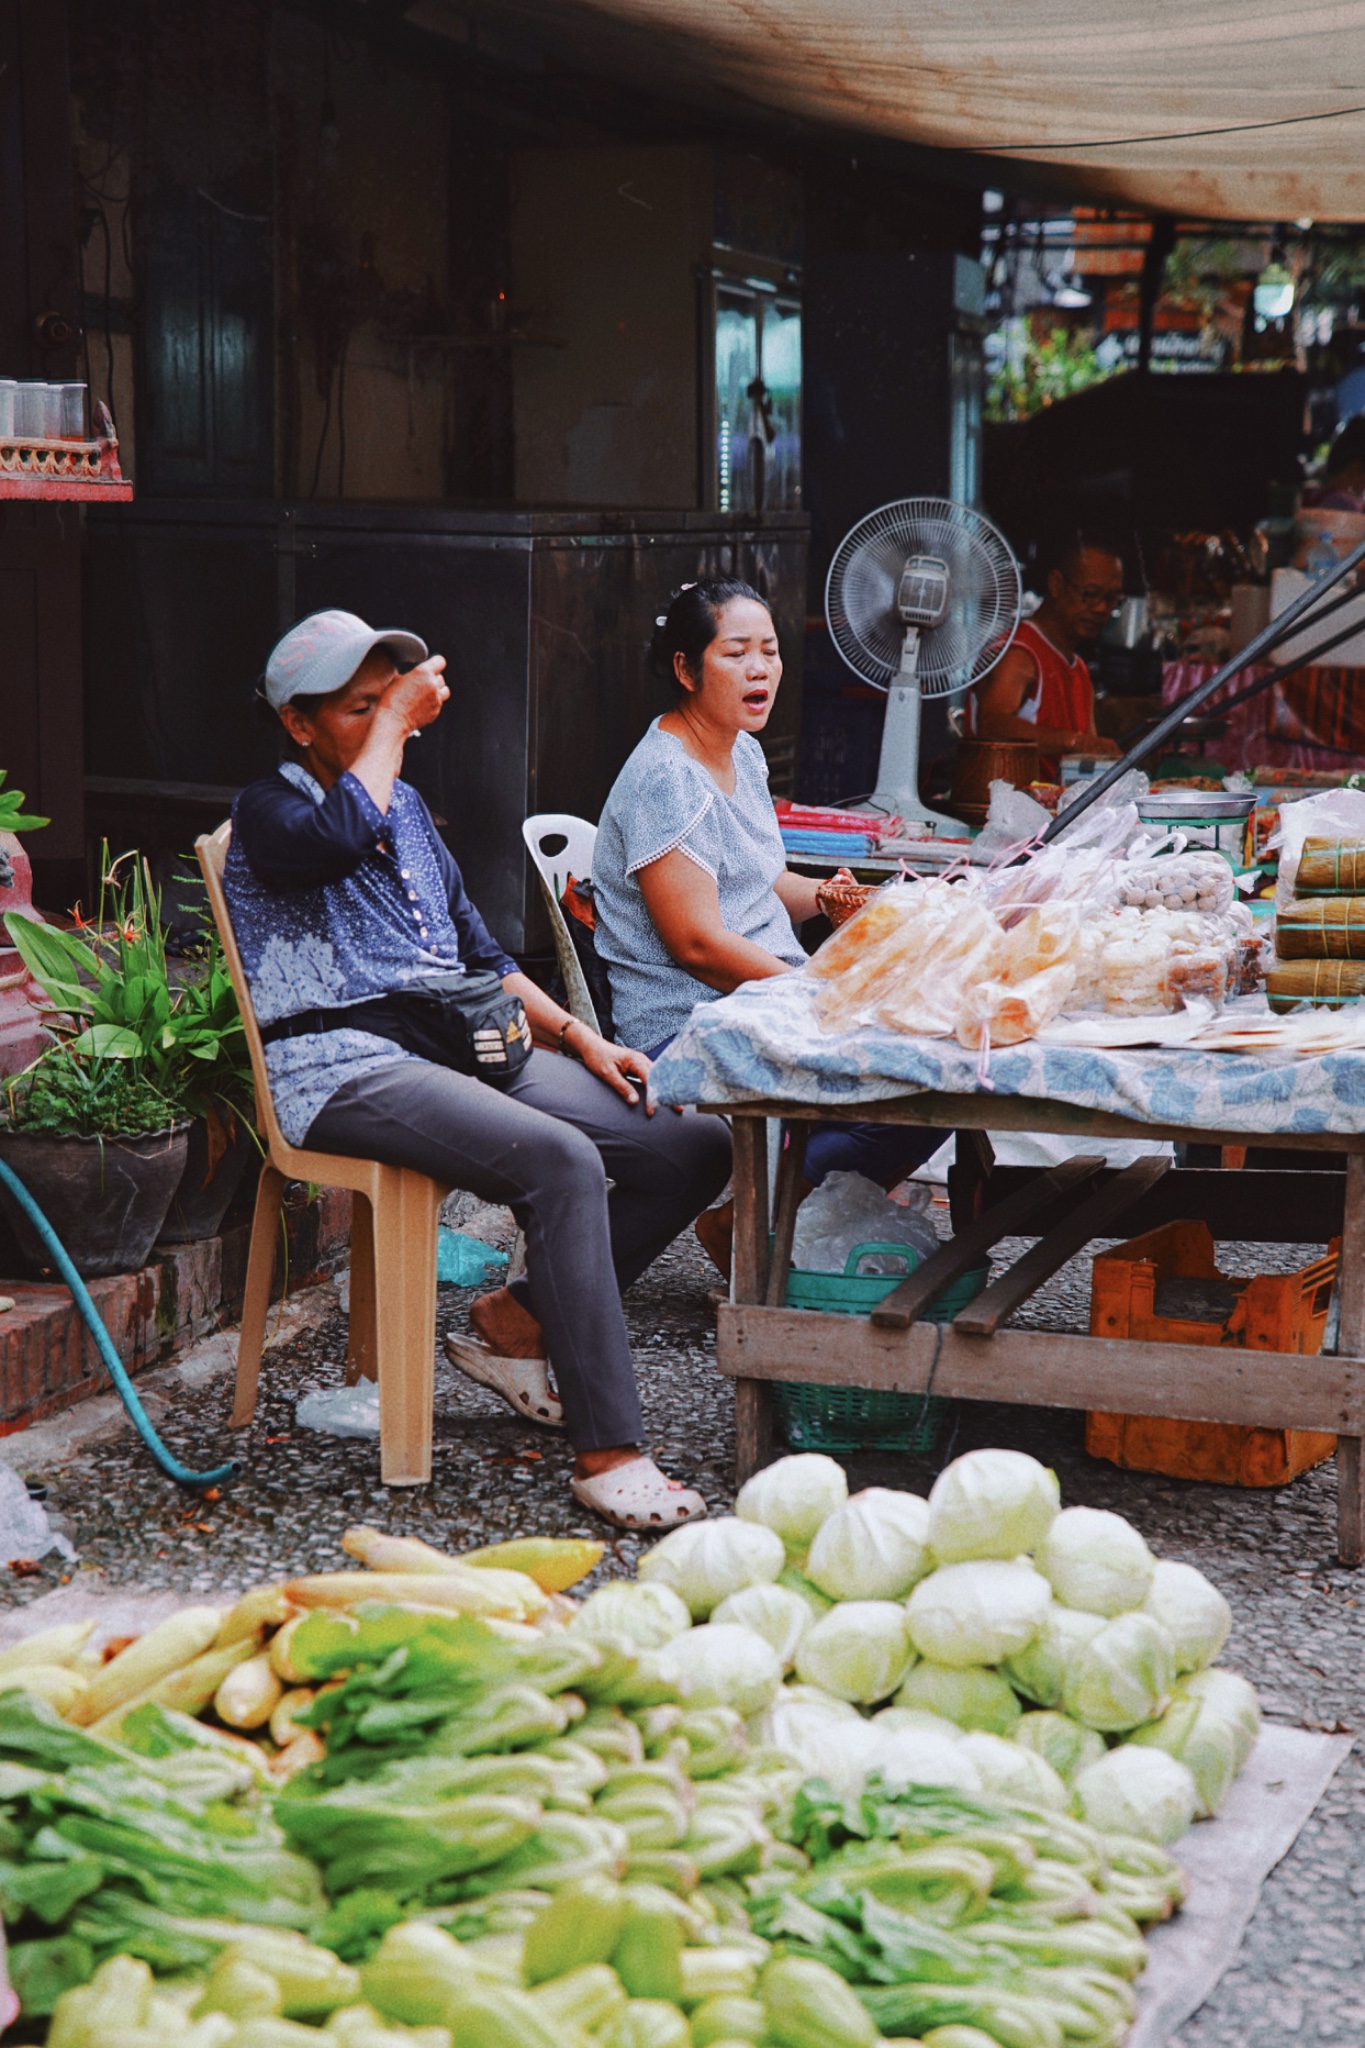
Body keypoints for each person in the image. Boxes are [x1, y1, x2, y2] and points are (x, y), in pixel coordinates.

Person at [224, 608, 732, 1531]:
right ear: (298, 722)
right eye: (359, 709)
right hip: (340, 1066)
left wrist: (582, 1039)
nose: (391, 724)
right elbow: (335, 838)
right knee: (562, 1161)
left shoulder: (406, 808)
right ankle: (610, 1453)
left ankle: (517, 1322)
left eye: (393, 705)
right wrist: (391, 732)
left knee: (690, 1143)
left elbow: (481, 953)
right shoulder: (272, 807)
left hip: (452, 1043)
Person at [592, 580, 946, 1277]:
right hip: (687, 1021)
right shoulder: (669, 779)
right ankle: (755, 1217)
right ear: (685, 669)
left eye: (770, 652)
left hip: (762, 997)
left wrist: (826, 896)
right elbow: (695, 943)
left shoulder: (742, 752)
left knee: (933, 1076)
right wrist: (817, 990)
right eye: (736, 654)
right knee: (904, 1080)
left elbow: (752, 883)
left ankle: (748, 1220)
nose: (760, 669)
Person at [967, 530, 1125, 780]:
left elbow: (1089, 751)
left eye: (1112, 598)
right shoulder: (1020, 653)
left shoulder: (1079, 669)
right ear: (1056, 585)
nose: (1101, 608)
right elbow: (992, 724)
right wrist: (1075, 742)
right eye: (1090, 594)